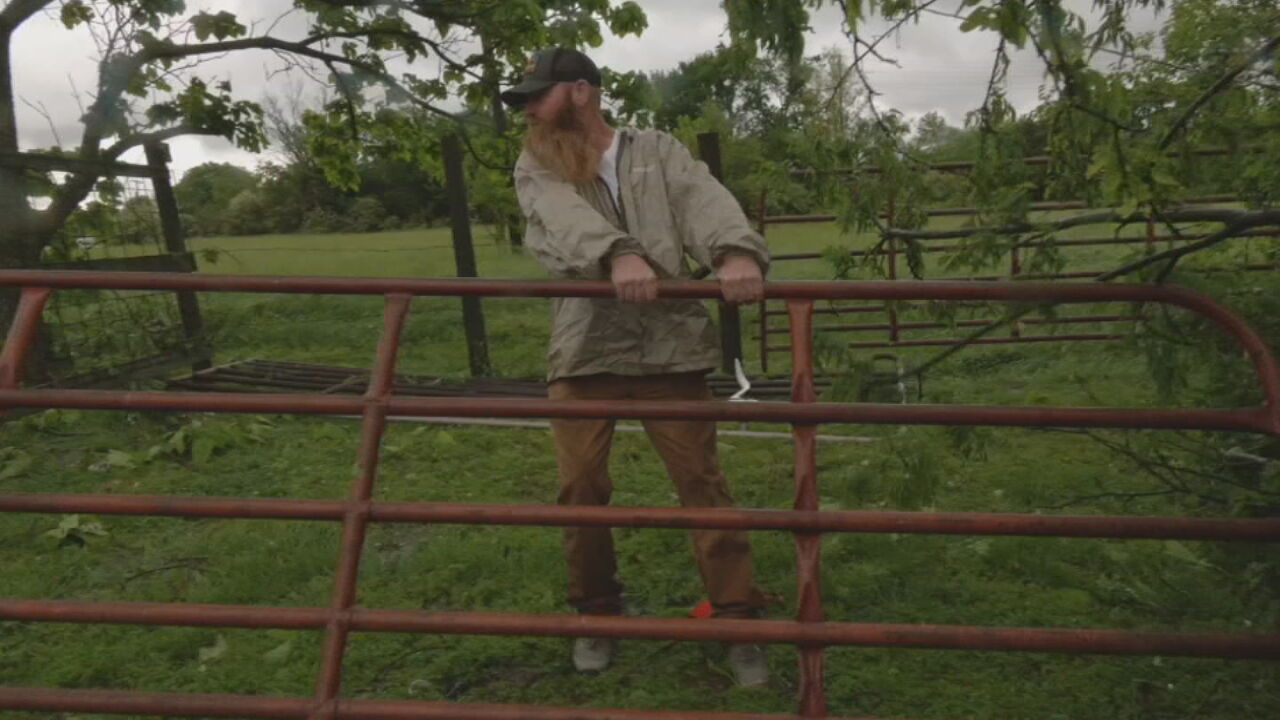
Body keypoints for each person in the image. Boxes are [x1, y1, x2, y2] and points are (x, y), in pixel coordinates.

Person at [501, 48, 771, 688]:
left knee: (703, 484)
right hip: (586, 345)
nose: (530, 110)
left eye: (539, 96)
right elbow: (558, 223)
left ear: (581, 92)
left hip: (669, 343)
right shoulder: (539, 160)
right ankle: (599, 614)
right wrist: (618, 253)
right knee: (581, 487)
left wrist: (734, 251)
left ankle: (737, 620)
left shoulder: (656, 149)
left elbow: (702, 198)